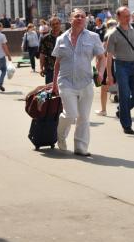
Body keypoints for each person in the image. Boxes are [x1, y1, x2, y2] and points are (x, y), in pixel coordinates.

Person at [52, 9, 105, 156]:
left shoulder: (93, 37)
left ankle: (81, 147)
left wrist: (100, 73)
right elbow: (57, 62)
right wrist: (54, 83)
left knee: (84, 116)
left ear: (86, 20)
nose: (80, 18)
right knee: (71, 114)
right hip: (66, 81)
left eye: (83, 16)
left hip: (86, 82)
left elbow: (102, 58)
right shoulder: (61, 39)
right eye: (77, 16)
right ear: (71, 19)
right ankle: (60, 136)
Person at [106, 6, 134, 134]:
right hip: (121, 66)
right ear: (118, 17)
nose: (128, 18)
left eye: (129, 16)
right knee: (124, 94)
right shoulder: (113, 34)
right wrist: (109, 75)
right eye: (125, 16)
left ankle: (122, 109)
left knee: (128, 98)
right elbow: (109, 56)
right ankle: (127, 125)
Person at [95, 18, 117, 116]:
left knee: (104, 88)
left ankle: (103, 110)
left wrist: (98, 64)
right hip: (119, 63)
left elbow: (102, 52)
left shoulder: (107, 36)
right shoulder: (121, 35)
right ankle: (123, 109)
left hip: (109, 63)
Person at [39, 17, 61, 84]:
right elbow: (42, 54)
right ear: (50, 26)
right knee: (50, 91)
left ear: (60, 24)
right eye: (53, 24)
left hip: (64, 69)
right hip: (50, 69)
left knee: (64, 91)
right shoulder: (45, 38)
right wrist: (41, 68)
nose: (55, 25)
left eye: (57, 23)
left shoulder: (66, 37)